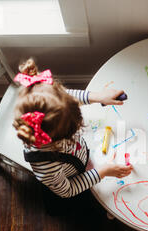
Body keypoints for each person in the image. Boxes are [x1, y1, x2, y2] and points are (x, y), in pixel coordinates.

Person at [12, 58, 132, 213]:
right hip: (77, 176)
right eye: (75, 129)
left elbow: (67, 97)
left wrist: (98, 96)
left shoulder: (49, 100)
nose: (79, 128)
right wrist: (103, 172)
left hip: (82, 155)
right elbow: (67, 190)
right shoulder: (46, 166)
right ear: (59, 138)